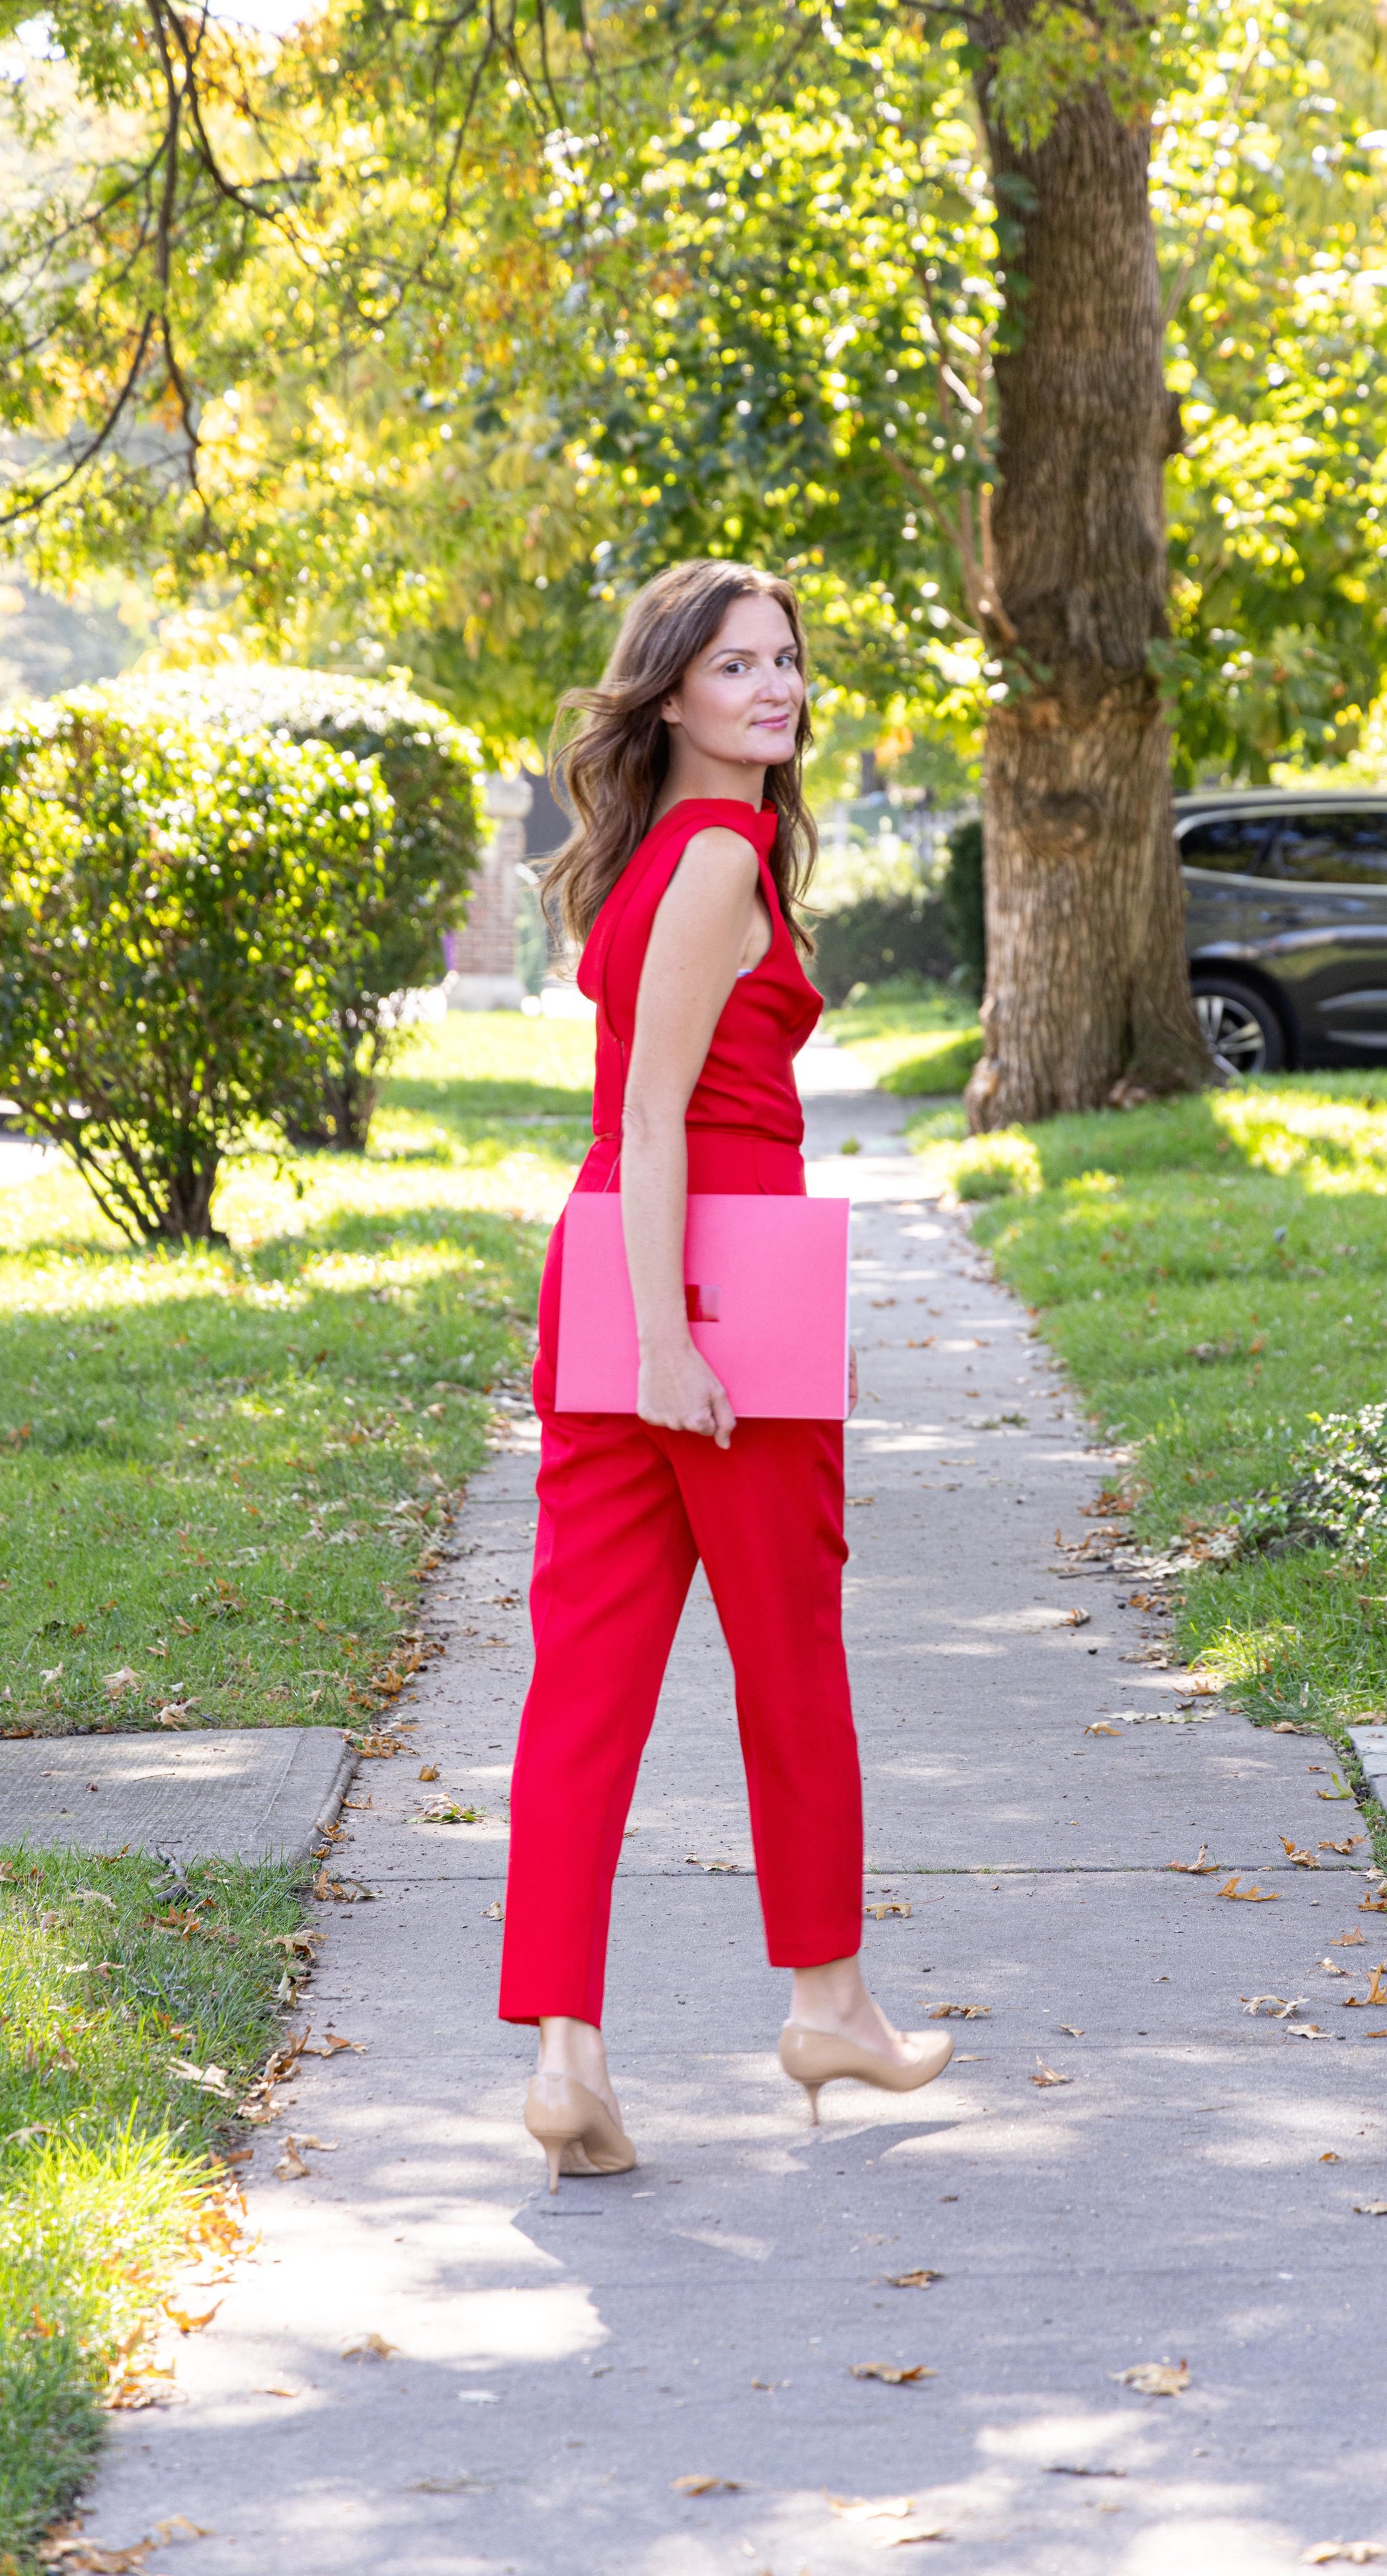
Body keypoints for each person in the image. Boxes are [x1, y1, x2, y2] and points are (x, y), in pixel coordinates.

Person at [498, 559, 953, 2187]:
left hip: (620, 1294)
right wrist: (681, 1338)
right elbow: (653, 1120)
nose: (774, 686)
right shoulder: (706, 861)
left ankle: (568, 2061)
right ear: (670, 692)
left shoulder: (667, 858)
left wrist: (645, 1326)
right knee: (788, 1661)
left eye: (786, 660)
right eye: (735, 663)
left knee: (586, 1686)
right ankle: (826, 2000)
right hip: (715, 1301)